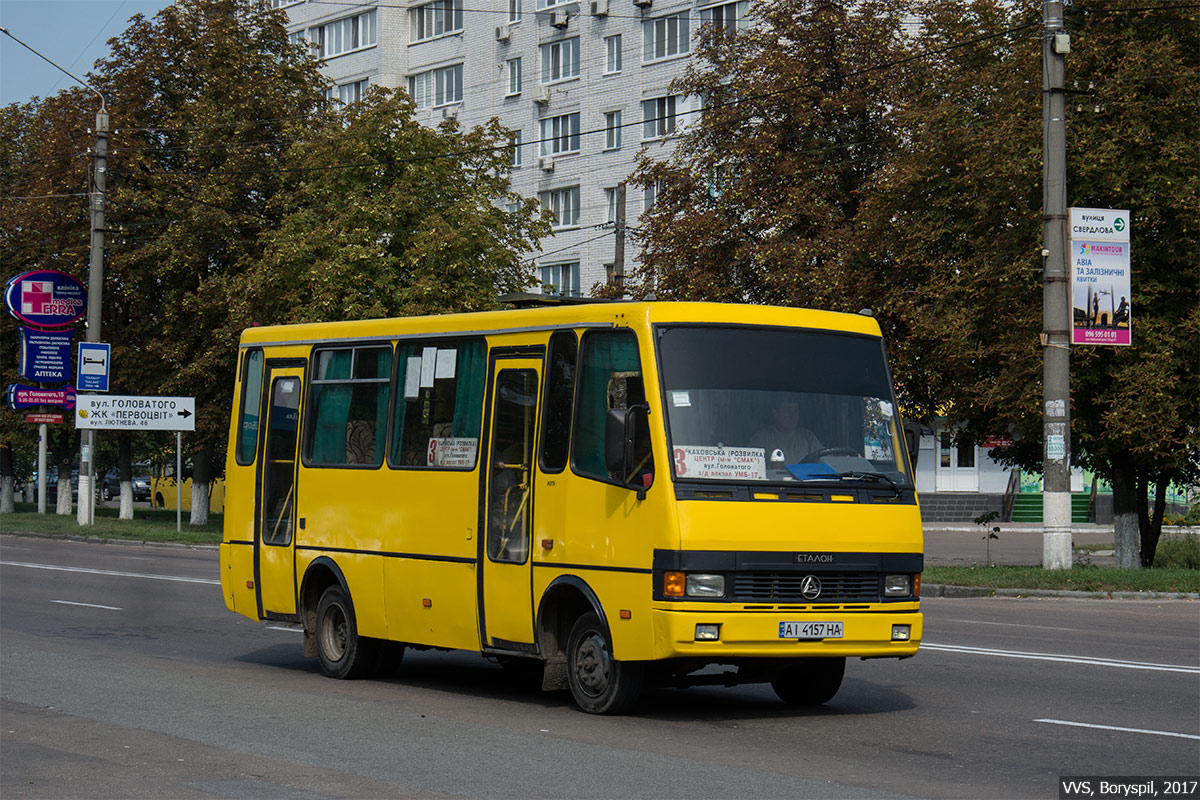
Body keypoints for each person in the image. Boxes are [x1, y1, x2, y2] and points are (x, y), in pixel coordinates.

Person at [749, 398, 824, 465]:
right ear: (775, 413)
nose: (792, 416)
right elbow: (752, 467)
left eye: (796, 411)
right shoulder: (761, 438)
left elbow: (825, 459)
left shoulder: (807, 437)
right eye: (787, 411)